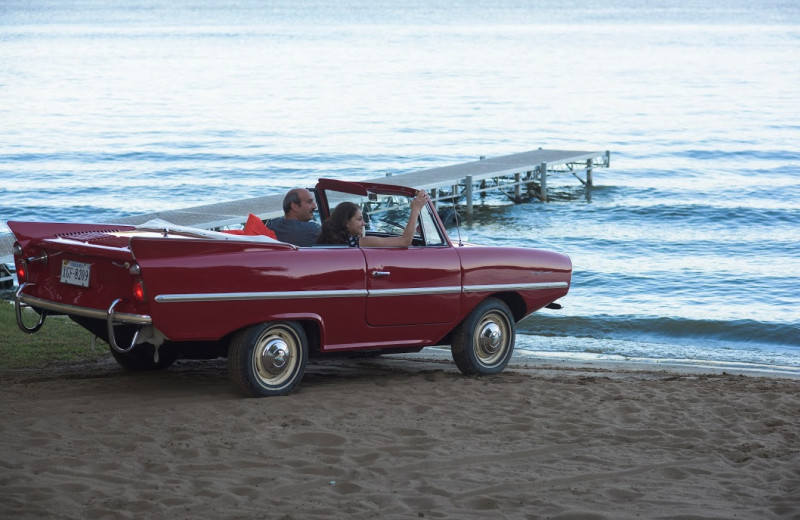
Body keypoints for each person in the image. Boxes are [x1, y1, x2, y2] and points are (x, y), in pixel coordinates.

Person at [316, 190, 429, 247]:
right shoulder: (361, 242)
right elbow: (405, 241)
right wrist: (416, 210)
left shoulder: (326, 241)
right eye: (359, 219)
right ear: (346, 222)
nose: (364, 223)